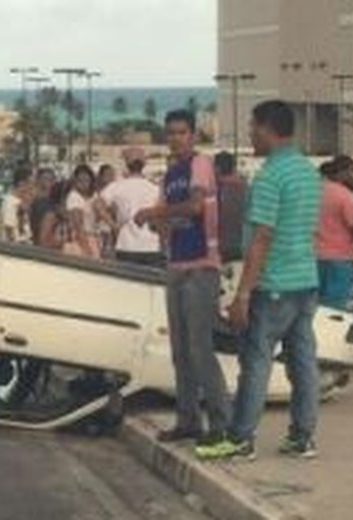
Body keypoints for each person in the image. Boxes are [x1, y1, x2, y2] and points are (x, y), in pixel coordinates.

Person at [204, 100, 322, 462]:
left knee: (256, 363)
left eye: (254, 127)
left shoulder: (271, 176)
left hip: (274, 286)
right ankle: (302, 437)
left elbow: (261, 238)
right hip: (305, 281)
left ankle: (241, 438)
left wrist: (243, 294)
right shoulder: (307, 171)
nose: (251, 134)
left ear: (269, 129)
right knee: (303, 362)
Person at [134, 109, 230, 449]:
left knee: (199, 348)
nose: (175, 138)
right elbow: (167, 218)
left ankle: (221, 422)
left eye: (181, 132)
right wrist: (157, 222)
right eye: (171, 132)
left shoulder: (200, 165)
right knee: (181, 351)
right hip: (176, 264)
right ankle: (188, 419)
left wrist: (154, 214)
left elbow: (194, 208)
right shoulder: (171, 174)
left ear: (193, 135)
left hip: (201, 266)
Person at [316, 156, 353, 309]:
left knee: (315, 308)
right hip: (339, 262)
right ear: (342, 172)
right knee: (334, 309)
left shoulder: (315, 191)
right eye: (352, 171)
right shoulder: (345, 196)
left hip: (313, 259)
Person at [97, 147, 163, 267]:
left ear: (127, 164)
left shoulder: (116, 186)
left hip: (126, 244)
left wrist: (113, 225)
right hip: (151, 244)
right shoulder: (155, 188)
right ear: (144, 164)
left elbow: (98, 204)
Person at [214, 151, 248, 263]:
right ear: (234, 168)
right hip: (244, 248)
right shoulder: (247, 188)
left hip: (222, 249)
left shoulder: (216, 190)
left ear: (217, 169)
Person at [65, 164, 101, 258]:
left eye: (86, 180)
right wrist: (87, 250)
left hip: (93, 238)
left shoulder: (92, 197)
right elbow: (78, 226)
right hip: (81, 241)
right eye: (80, 180)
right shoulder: (74, 197)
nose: (83, 183)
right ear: (75, 181)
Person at [0, 168, 34, 243]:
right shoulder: (10, 203)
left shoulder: (21, 202)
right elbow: (10, 232)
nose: (32, 187)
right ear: (21, 183)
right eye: (30, 183)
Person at [29, 167, 57, 244]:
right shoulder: (37, 202)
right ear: (38, 180)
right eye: (46, 178)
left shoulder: (52, 202)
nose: (50, 181)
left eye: (52, 179)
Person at [96, 164, 118, 258]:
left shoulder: (116, 191)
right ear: (101, 176)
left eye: (113, 175)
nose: (111, 178)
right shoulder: (95, 193)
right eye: (108, 174)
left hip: (112, 232)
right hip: (100, 231)